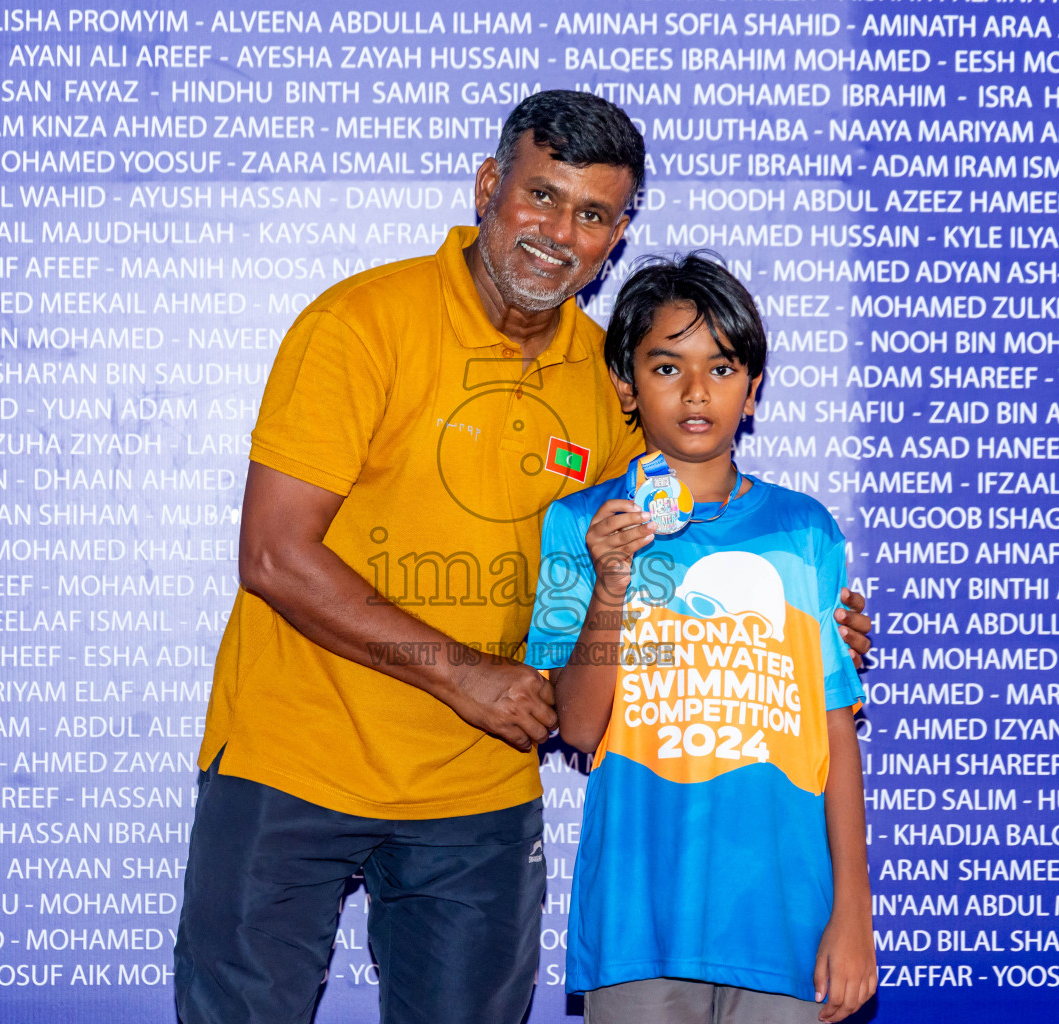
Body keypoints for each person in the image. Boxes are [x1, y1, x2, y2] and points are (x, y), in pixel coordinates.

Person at [174, 91, 873, 1024]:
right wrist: (465, 676)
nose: (558, 233)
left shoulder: (615, 382)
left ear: (617, 236)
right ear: (487, 186)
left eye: (591, 215)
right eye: (540, 197)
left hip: (479, 792)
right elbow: (271, 554)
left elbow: (671, 560)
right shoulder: (360, 323)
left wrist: (807, 628)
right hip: (296, 762)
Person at [526, 254, 876, 1023]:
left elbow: (832, 729)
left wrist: (854, 912)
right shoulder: (577, 526)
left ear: (751, 389)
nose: (694, 391)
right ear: (627, 384)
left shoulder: (803, 530)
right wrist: (611, 582)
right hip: (636, 925)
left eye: (720, 367)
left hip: (784, 922)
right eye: (665, 366)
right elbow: (578, 727)